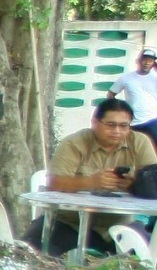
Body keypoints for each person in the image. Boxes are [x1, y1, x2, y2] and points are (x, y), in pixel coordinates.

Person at [24, 97, 157, 257]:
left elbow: (153, 179)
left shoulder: (139, 142)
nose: (117, 131)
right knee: (31, 250)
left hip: (118, 224)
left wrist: (134, 185)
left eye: (123, 126)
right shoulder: (74, 143)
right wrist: (91, 181)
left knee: (148, 254)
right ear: (94, 122)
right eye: (111, 125)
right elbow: (54, 183)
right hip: (70, 222)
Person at [110, 48, 157, 131]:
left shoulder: (155, 78)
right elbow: (110, 95)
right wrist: (118, 110)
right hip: (132, 123)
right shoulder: (125, 78)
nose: (147, 63)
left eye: (150, 61)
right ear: (138, 61)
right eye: (144, 60)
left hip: (153, 121)